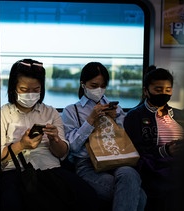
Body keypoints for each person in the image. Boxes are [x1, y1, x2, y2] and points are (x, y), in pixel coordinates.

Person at [0, 58, 99, 211]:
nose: (30, 94)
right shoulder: (3, 114)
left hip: (50, 169)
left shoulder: (50, 112)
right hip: (15, 172)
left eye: (35, 90)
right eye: (24, 90)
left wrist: (55, 139)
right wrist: (22, 145)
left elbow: (63, 153)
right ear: (13, 88)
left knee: (87, 197)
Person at [61, 61, 147, 211]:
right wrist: (90, 120)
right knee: (140, 196)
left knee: (129, 173)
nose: (99, 90)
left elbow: (124, 140)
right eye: (94, 86)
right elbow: (72, 147)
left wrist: (114, 119)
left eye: (103, 86)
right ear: (83, 84)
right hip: (87, 165)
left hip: (116, 159)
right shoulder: (71, 111)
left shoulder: (116, 109)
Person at [123, 66, 184, 211]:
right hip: (155, 170)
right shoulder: (135, 117)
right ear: (146, 91)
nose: (163, 94)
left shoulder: (180, 116)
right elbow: (136, 150)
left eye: (168, 90)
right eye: (158, 90)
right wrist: (165, 151)